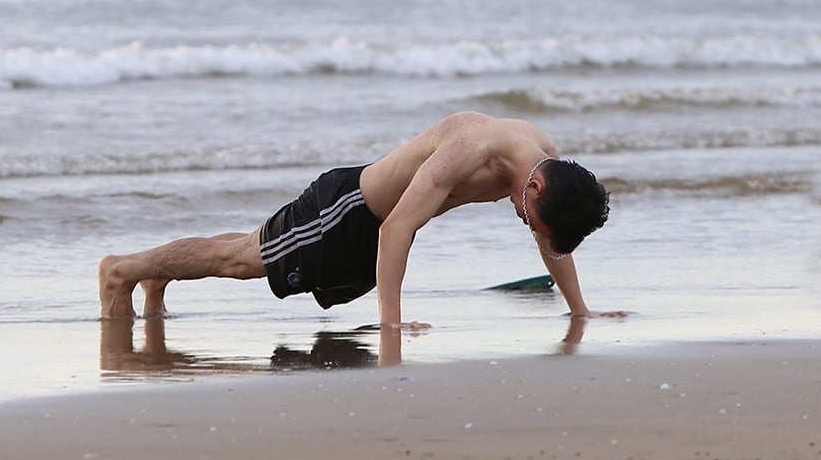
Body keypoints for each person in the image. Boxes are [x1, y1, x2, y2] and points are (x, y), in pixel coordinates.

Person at [99, 112, 619, 334]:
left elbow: (553, 240)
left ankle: (158, 276)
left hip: (365, 225)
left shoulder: (544, 159)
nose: (524, 221)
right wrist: (391, 323)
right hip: (345, 211)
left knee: (242, 249)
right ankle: (123, 270)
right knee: (239, 262)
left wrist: (581, 310)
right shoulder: (473, 150)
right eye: (528, 217)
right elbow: (397, 228)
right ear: (534, 188)